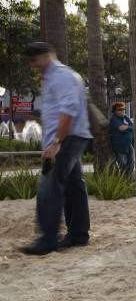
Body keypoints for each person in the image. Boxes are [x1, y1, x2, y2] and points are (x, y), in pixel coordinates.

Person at [18, 42, 93, 255]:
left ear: (46, 56)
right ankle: (78, 235)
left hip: (66, 139)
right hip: (71, 137)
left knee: (49, 187)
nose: (32, 65)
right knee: (73, 186)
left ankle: (48, 239)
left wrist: (56, 143)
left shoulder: (60, 76)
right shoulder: (59, 76)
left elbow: (68, 110)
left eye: (34, 60)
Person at [108, 102, 134, 177]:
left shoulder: (125, 118)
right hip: (119, 147)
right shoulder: (113, 119)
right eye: (120, 109)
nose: (122, 111)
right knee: (123, 165)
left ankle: (129, 180)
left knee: (131, 164)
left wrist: (127, 127)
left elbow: (133, 127)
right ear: (115, 111)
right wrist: (129, 127)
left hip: (129, 146)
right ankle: (124, 182)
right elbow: (121, 128)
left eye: (123, 109)